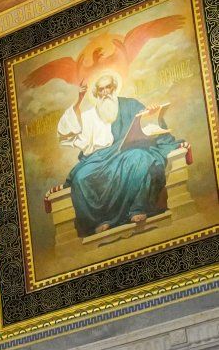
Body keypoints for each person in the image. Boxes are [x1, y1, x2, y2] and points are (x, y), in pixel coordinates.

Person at [56, 72, 178, 238]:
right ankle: (98, 221)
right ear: (96, 93)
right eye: (101, 89)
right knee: (80, 177)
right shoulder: (89, 116)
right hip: (98, 159)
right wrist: (78, 101)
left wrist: (152, 114)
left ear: (114, 88)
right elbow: (67, 133)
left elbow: (147, 126)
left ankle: (136, 208)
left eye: (108, 87)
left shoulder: (130, 105)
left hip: (126, 152)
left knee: (141, 158)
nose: (105, 92)